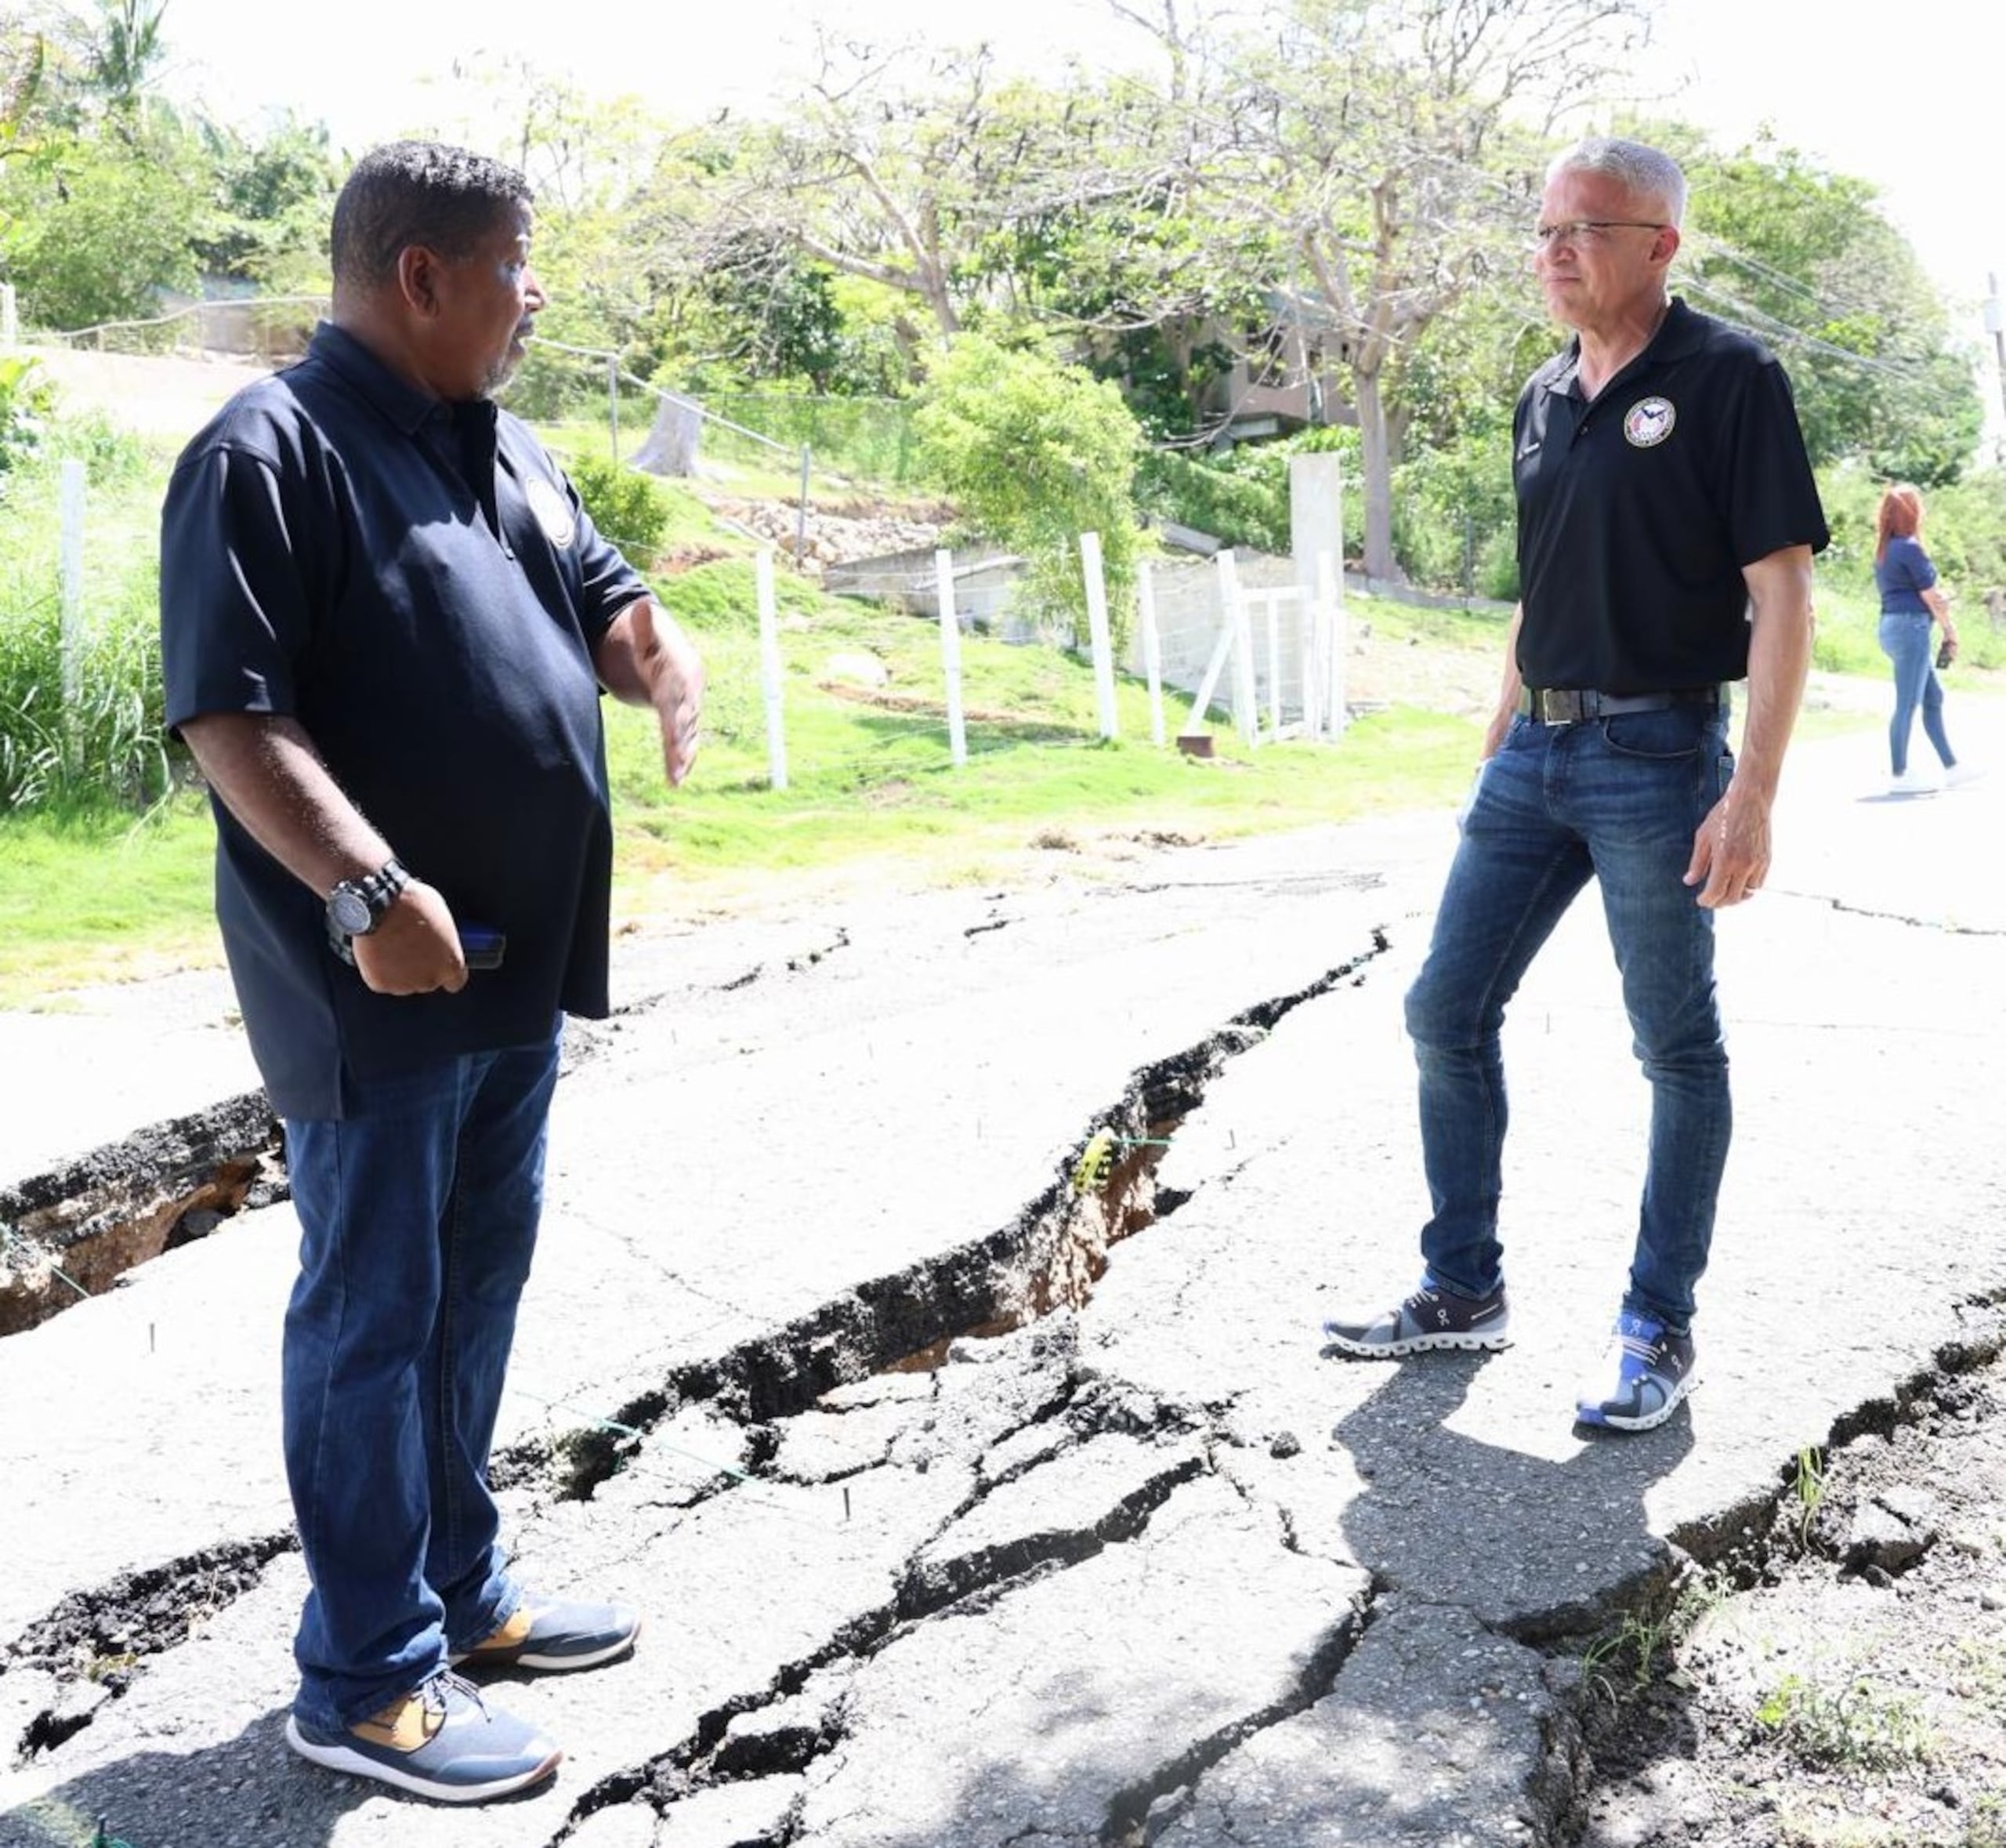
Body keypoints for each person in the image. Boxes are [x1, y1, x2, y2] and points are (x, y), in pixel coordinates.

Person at [158, 141, 704, 1803]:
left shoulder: (499, 439)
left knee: (471, 1294)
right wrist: (370, 889)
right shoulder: (269, 453)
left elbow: (594, 591)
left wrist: (649, 648)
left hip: (510, 973)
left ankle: (458, 1600)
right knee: (374, 1311)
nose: (536, 295)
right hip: (372, 982)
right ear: (422, 275)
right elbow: (230, 720)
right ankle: (366, 1679)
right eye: (518, 265)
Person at [1322, 136, 1828, 1433]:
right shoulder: (1544, 394)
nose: (1555, 250)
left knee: (1673, 1047)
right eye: (1545, 229)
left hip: (1660, 761)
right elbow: (1539, 589)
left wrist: (1754, 790)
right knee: (1444, 1009)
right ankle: (1462, 1287)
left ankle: (1657, 1324)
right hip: (1536, 756)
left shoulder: (1729, 379)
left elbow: (1781, 593)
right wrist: (1499, 738)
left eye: (1585, 228)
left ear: (1659, 245)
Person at [1874, 483, 1973, 794]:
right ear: (1913, 513)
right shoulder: (1911, 548)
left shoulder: (1886, 550)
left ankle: (1952, 767)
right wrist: (1950, 630)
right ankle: (1899, 773)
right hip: (1911, 629)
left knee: (1933, 698)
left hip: (1893, 626)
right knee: (1908, 703)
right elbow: (1931, 597)